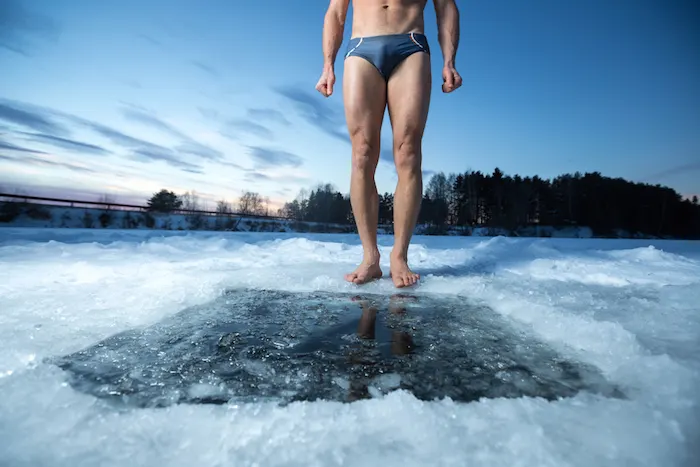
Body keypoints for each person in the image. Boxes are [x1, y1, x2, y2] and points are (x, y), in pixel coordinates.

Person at [315, 0, 462, 288]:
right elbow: (336, 11)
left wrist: (449, 61)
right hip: (360, 47)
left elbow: (445, 7)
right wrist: (327, 65)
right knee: (362, 153)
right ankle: (370, 257)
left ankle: (400, 256)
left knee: (408, 151)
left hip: (411, 45)